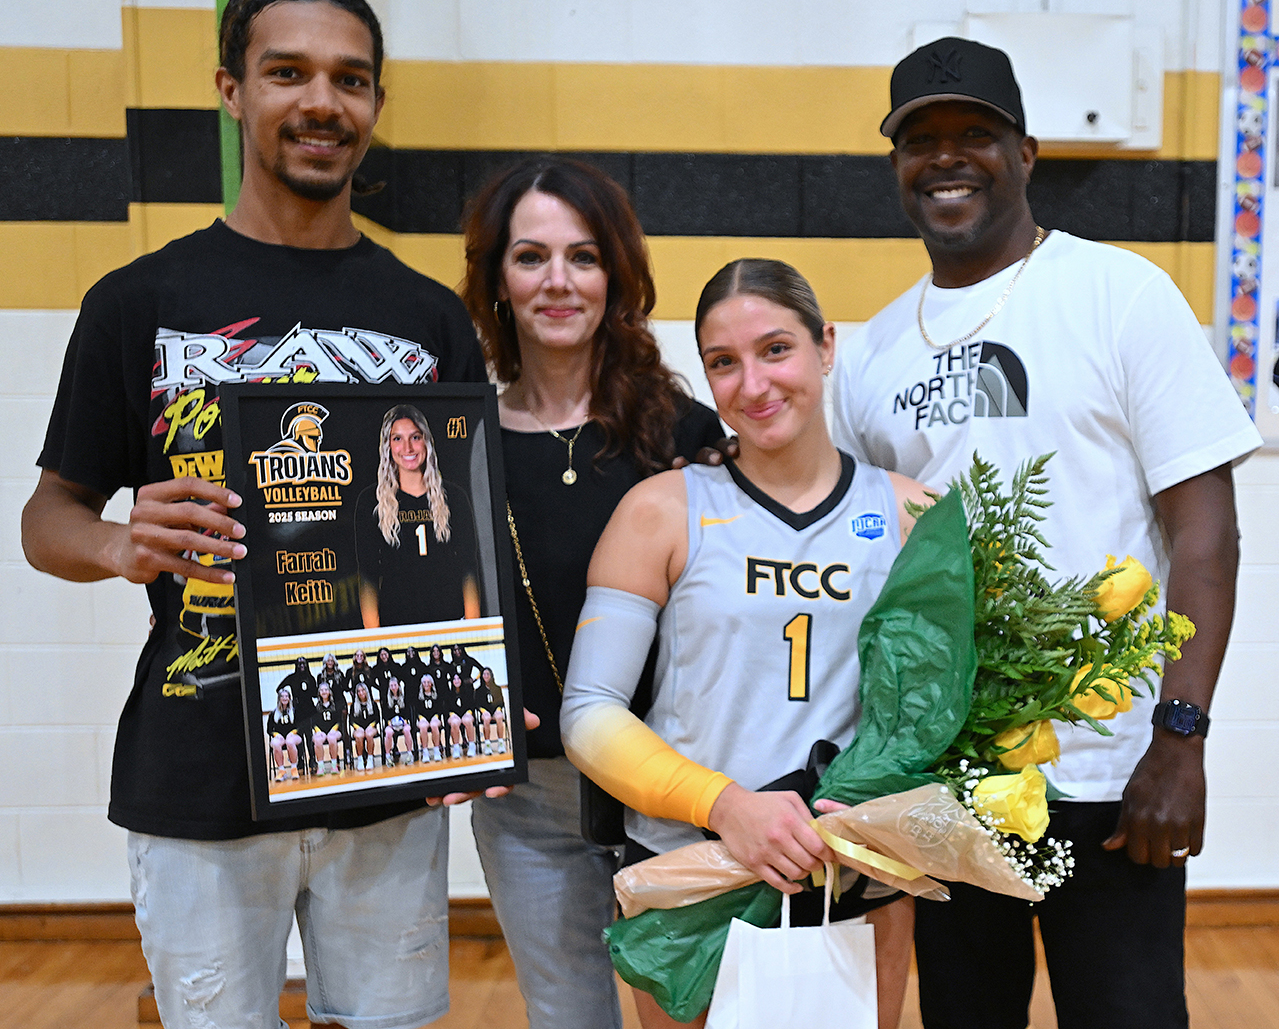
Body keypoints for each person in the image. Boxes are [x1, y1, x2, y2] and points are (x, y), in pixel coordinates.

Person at [19, 0, 495, 1029]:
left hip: (384, 763)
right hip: (198, 771)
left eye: (351, 79)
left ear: (375, 103)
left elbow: (455, 547)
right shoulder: (139, 302)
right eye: (289, 72)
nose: (322, 102)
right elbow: (46, 518)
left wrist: (477, 712)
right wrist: (116, 543)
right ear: (232, 89)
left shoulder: (429, 318)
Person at [832, 37, 1263, 1029]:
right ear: (895, 164)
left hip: (1112, 777)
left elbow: (1206, 535)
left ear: (1026, 153)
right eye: (920, 140)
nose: (946, 158)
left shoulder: (1121, 293)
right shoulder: (872, 353)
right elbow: (871, 570)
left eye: (974, 134)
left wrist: (1180, 742)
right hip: (948, 778)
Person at [560, 258, 924, 1029]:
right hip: (690, 871)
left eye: (775, 349)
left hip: (850, 875)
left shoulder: (908, 514)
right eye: (723, 363)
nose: (752, 385)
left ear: (825, 346)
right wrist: (727, 808)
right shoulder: (659, 510)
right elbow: (589, 714)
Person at [459, 156, 724, 1029]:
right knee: (567, 1015)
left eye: (582, 256)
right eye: (530, 256)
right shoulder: (451, 440)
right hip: (527, 796)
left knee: (688, 1013)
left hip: (674, 783)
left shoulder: (682, 433)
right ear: (497, 278)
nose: (557, 281)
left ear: (615, 276)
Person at [356, 404, 483, 626]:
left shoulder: (453, 496)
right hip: (396, 626)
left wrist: (472, 629)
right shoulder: (371, 502)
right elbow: (367, 576)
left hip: (450, 622)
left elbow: (468, 568)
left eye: (415, 437)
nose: (407, 447)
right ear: (387, 446)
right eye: (397, 439)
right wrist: (374, 639)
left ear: (426, 441)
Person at [268, 686, 302, 781]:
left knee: (290, 742)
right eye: (282, 696)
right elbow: (269, 729)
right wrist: (276, 734)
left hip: (294, 736)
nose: (284, 698)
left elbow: (301, 726)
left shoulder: (295, 711)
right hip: (280, 737)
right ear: (279, 699)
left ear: (289, 698)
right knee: (275, 743)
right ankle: (281, 771)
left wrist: (292, 732)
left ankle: (294, 768)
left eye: (286, 696)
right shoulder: (274, 713)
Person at [312, 680, 345, 775]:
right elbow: (313, 723)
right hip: (321, 732)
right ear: (319, 693)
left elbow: (339, 721)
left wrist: (333, 730)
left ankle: (334, 765)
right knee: (317, 740)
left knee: (332, 738)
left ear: (329, 691)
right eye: (321, 690)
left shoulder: (335, 705)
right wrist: (318, 731)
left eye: (326, 689)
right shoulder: (317, 707)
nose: (324, 691)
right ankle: (321, 766)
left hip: (334, 731)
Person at [348, 681, 382, 772]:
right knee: (359, 736)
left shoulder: (373, 704)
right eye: (358, 691)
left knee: (369, 734)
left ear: (366, 691)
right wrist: (358, 728)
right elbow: (351, 720)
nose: (361, 693)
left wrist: (371, 726)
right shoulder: (353, 706)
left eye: (363, 690)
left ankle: (370, 758)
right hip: (359, 728)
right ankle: (360, 759)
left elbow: (377, 718)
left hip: (371, 727)